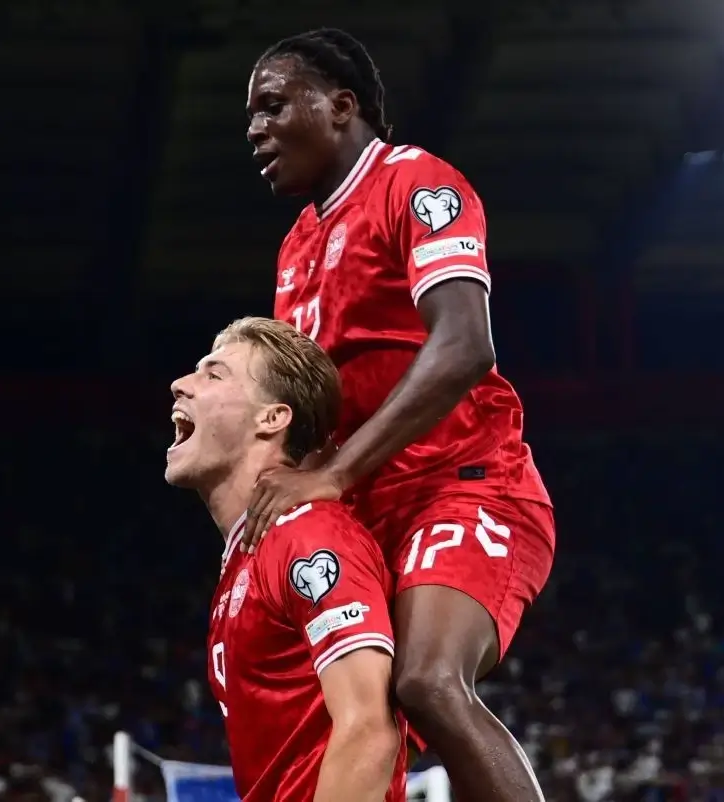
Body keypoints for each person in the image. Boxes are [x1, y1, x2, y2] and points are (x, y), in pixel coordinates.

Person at [240, 28, 554, 802]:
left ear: (341, 105)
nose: (254, 129)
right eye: (250, 115)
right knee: (358, 720)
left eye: (272, 105)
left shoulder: (414, 182)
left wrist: (340, 470)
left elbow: (464, 346)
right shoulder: (295, 248)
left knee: (426, 682)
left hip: (466, 482)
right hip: (370, 514)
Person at [165, 316, 408, 802]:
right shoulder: (246, 559)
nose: (180, 384)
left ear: (272, 418)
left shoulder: (309, 533)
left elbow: (369, 730)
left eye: (213, 374)